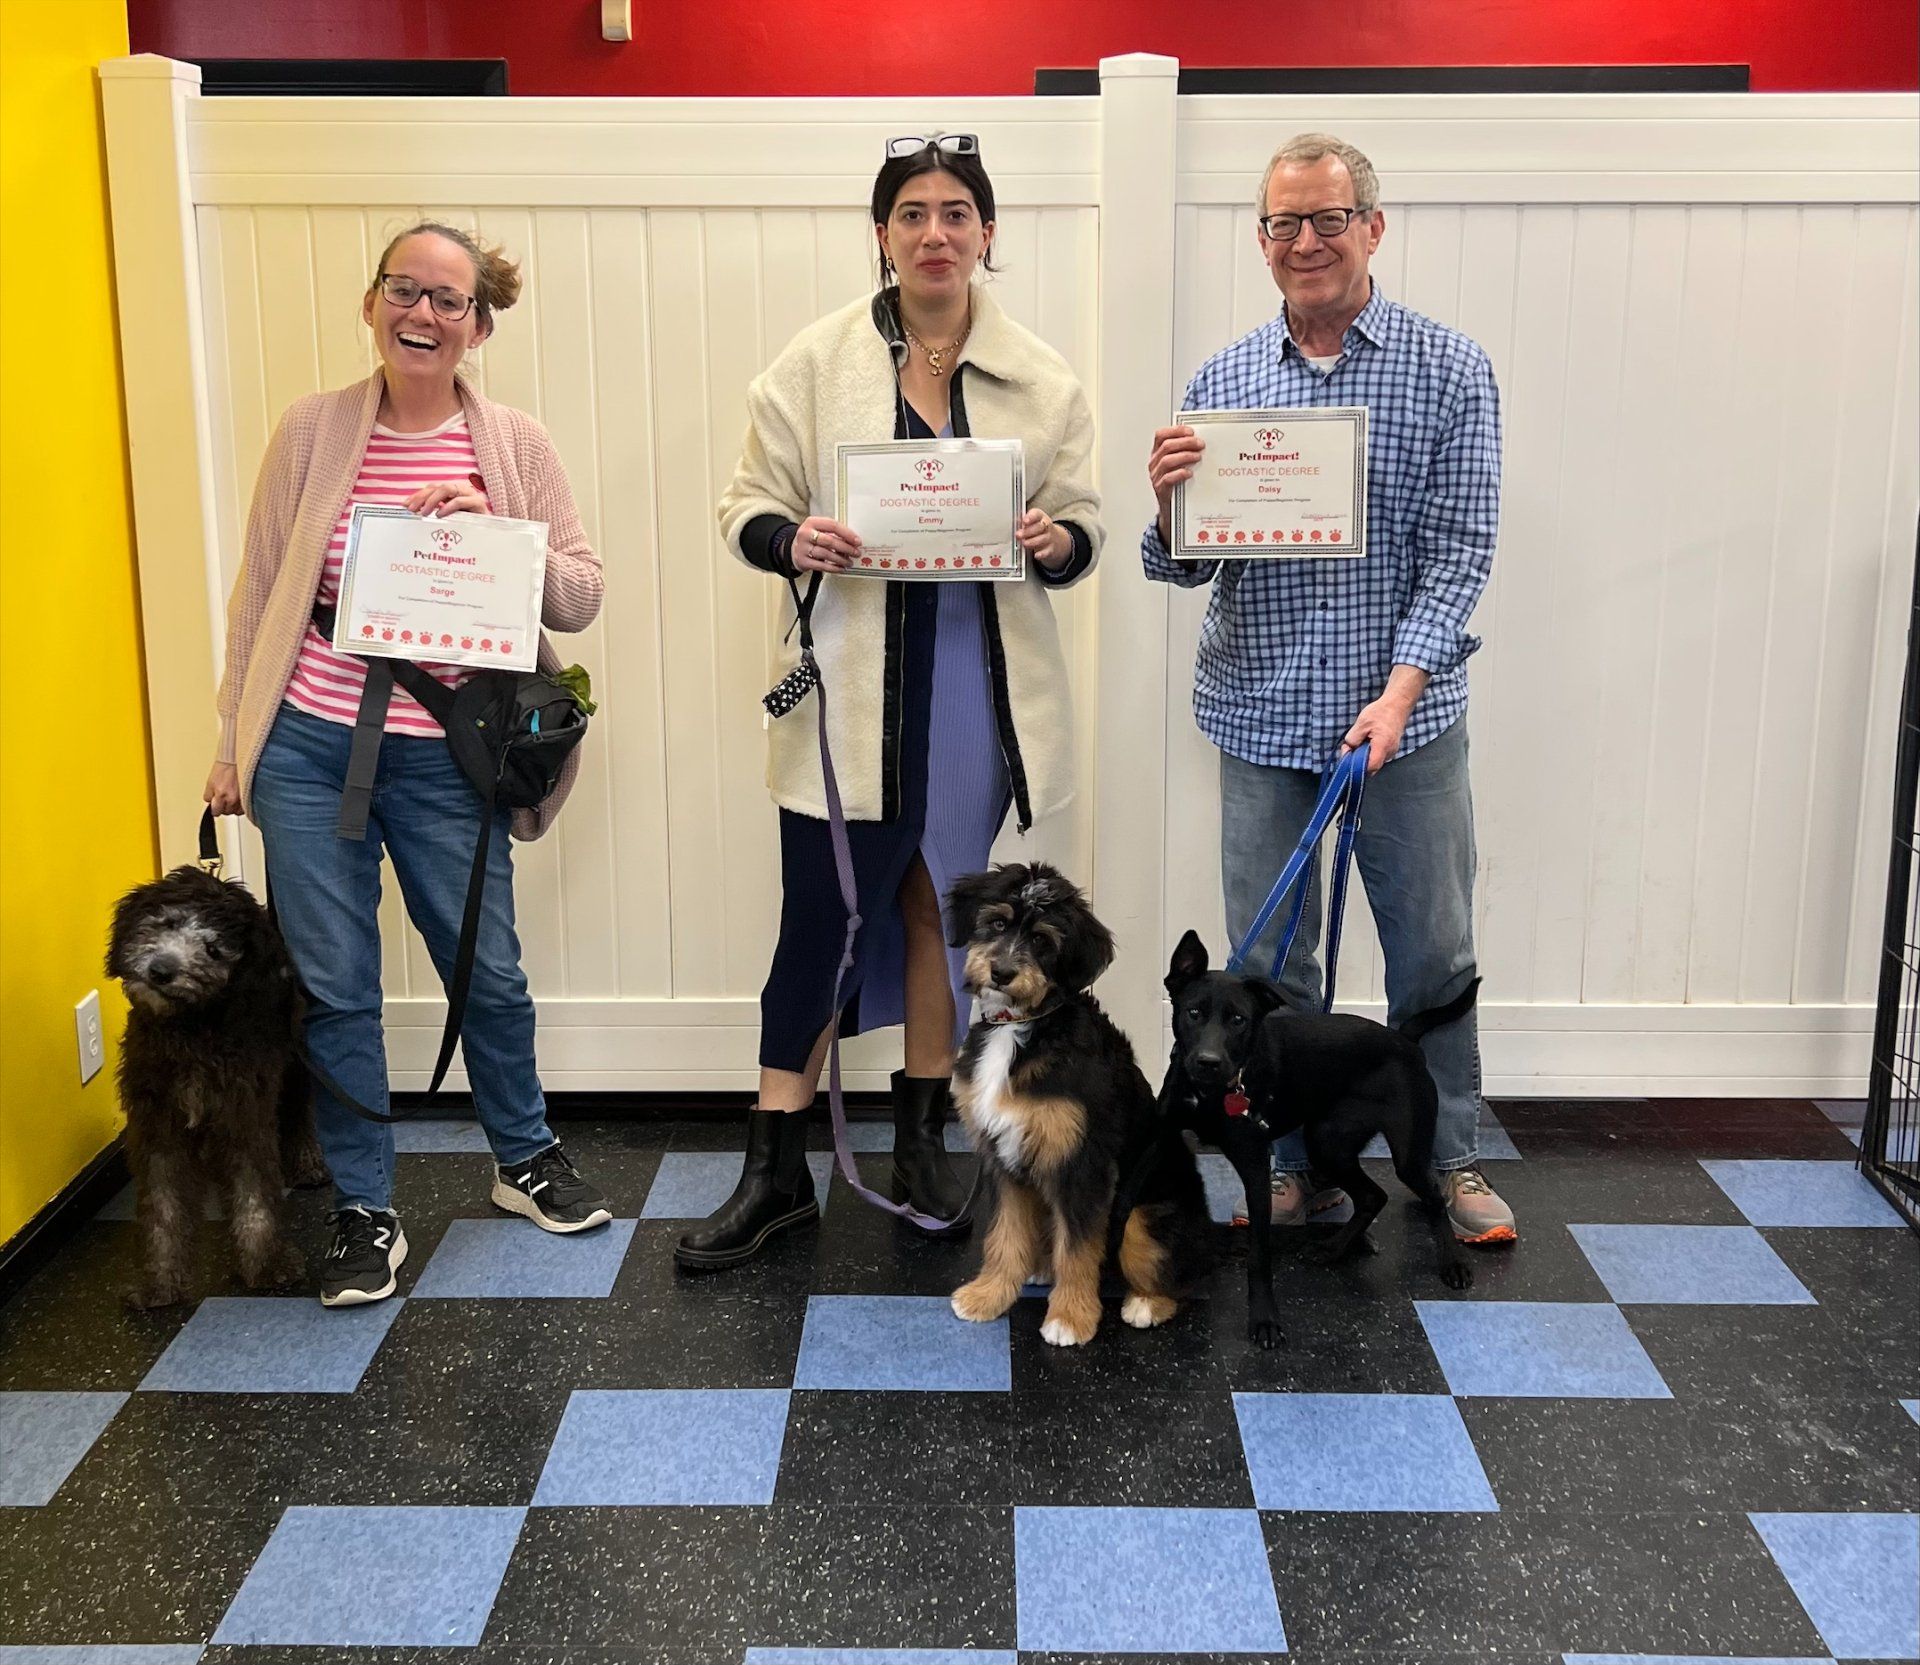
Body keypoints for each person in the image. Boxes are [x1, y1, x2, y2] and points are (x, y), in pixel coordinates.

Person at [677, 134, 1103, 1269]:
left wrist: (1057, 537)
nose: (934, 232)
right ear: (881, 236)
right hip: (849, 687)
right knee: (817, 919)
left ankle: (922, 1142)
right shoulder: (812, 366)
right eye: (911, 213)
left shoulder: (1045, 382)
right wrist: (790, 534)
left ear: (988, 236)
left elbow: (1082, 521)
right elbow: (743, 502)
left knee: (935, 913)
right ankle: (773, 1172)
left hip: (972, 681)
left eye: (956, 212)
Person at [205, 222, 613, 1307]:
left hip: (449, 757)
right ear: (373, 302)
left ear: (479, 324)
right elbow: (258, 594)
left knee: (489, 971)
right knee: (334, 987)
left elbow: (580, 592)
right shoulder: (309, 431)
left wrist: (504, 530)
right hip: (306, 746)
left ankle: (524, 1159)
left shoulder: (513, 443)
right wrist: (231, 742)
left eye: (448, 300)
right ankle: (363, 1208)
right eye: (405, 291)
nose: (422, 315)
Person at [1142, 133, 1513, 1245]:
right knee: (1267, 970)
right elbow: (1186, 566)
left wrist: (1399, 695)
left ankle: (1450, 1159)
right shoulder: (1225, 381)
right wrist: (1167, 506)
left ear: (1373, 227)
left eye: (1328, 220)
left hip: (1407, 721)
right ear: (1261, 241)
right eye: (1283, 224)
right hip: (1259, 713)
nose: (1306, 242)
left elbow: (1460, 554)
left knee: (1432, 951)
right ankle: (1290, 1162)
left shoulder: (1451, 369)